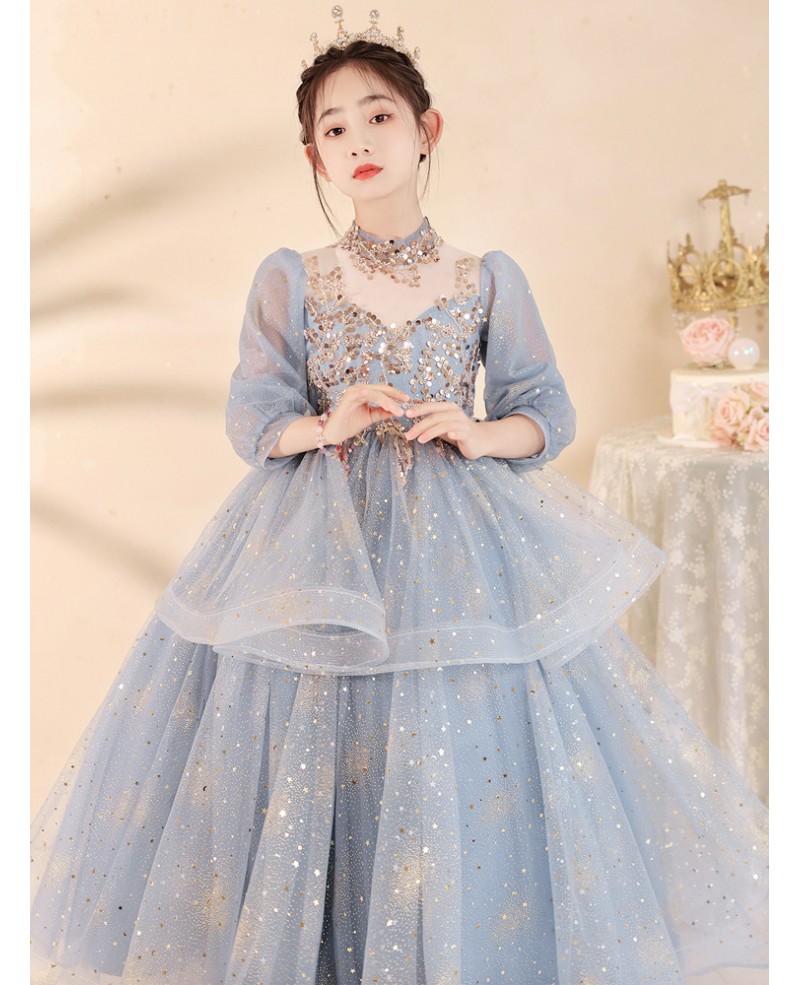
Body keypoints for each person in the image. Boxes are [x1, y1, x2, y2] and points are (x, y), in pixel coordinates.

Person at [30, 9, 767, 984]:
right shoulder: (293, 277)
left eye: (378, 115)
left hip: (459, 539)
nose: (358, 141)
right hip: (318, 541)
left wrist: (479, 431)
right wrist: (327, 423)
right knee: (317, 739)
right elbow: (253, 419)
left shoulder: (483, 278)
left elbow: (544, 411)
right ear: (313, 155)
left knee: (458, 736)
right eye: (332, 129)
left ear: (427, 129)